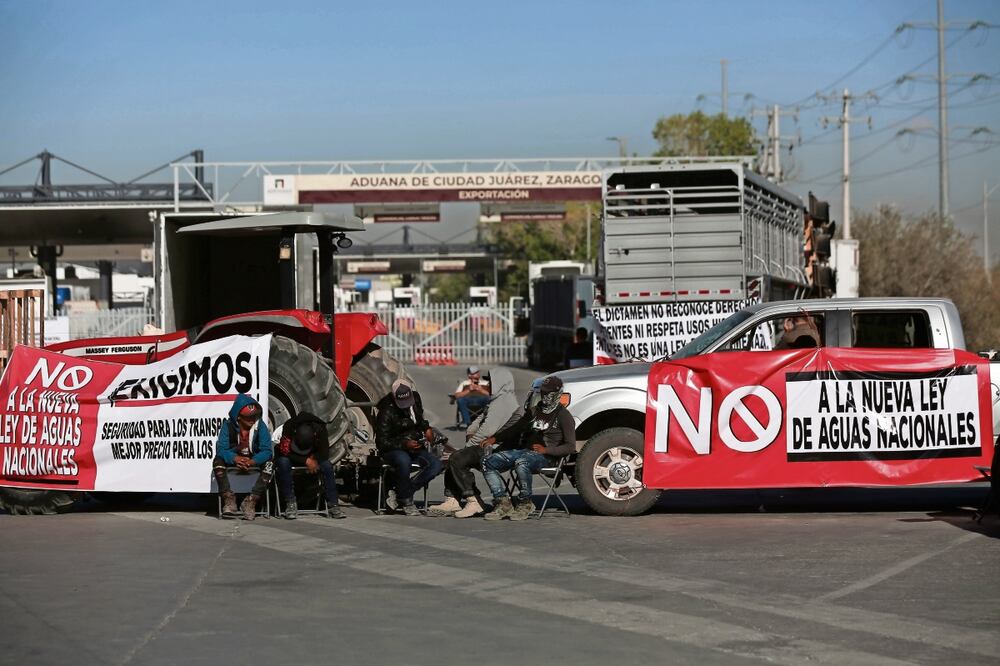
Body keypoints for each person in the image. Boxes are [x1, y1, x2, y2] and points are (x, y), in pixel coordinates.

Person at [482, 376, 576, 521]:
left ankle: (525, 502)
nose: (545, 396)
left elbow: (570, 447)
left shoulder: (564, 416)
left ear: (558, 394)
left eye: (548, 393)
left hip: (547, 457)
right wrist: (495, 438)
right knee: (488, 462)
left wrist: (546, 450)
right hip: (525, 452)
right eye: (543, 392)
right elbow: (516, 428)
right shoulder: (535, 411)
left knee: (521, 462)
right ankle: (502, 502)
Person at [434, 367, 523, 519]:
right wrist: (470, 432)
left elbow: (487, 430)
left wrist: (468, 446)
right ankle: (452, 499)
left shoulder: (504, 402)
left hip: (497, 449)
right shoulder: (496, 400)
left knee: (457, 458)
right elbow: (479, 420)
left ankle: (474, 500)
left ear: (501, 383)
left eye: (491, 382)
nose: (488, 385)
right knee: (455, 457)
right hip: (485, 445)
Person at [375, 378, 443, 516]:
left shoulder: (415, 398)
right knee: (403, 460)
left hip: (414, 445)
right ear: (394, 398)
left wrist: (427, 428)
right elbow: (382, 443)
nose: (406, 406)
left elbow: (419, 418)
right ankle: (406, 501)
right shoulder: (386, 411)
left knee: (436, 464)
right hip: (393, 449)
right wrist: (404, 444)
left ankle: (402, 493)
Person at [274, 412, 346, 520]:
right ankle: (290, 503)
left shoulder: (320, 429)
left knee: (327, 466)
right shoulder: (289, 426)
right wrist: (305, 460)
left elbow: (324, 454)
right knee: (283, 463)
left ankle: (333, 505)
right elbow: (284, 451)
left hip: (313, 455)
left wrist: (313, 458)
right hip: (292, 455)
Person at [212, 394, 273, 520]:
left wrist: (253, 461)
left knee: (270, 464)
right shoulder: (228, 425)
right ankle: (229, 499)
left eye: (254, 416)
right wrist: (234, 458)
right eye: (248, 417)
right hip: (234, 459)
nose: (252, 419)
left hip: (252, 458)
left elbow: (267, 451)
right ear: (239, 417)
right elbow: (221, 450)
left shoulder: (260, 425)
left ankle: (251, 501)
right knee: (217, 461)